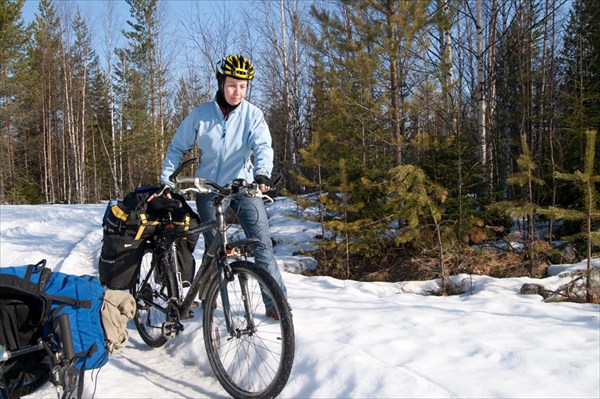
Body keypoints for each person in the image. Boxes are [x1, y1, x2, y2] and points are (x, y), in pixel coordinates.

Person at [159, 54, 289, 319]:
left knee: (261, 242)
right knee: (213, 248)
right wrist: (167, 179)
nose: (237, 92)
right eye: (232, 85)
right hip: (209, 189)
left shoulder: (253, 115)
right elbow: (177, 148)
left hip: (243, 186)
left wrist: (263, 174)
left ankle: (275, 304)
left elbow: (263, 146)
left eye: (243, 86)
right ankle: (211, 300)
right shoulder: (201, 116)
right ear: (220, 82)